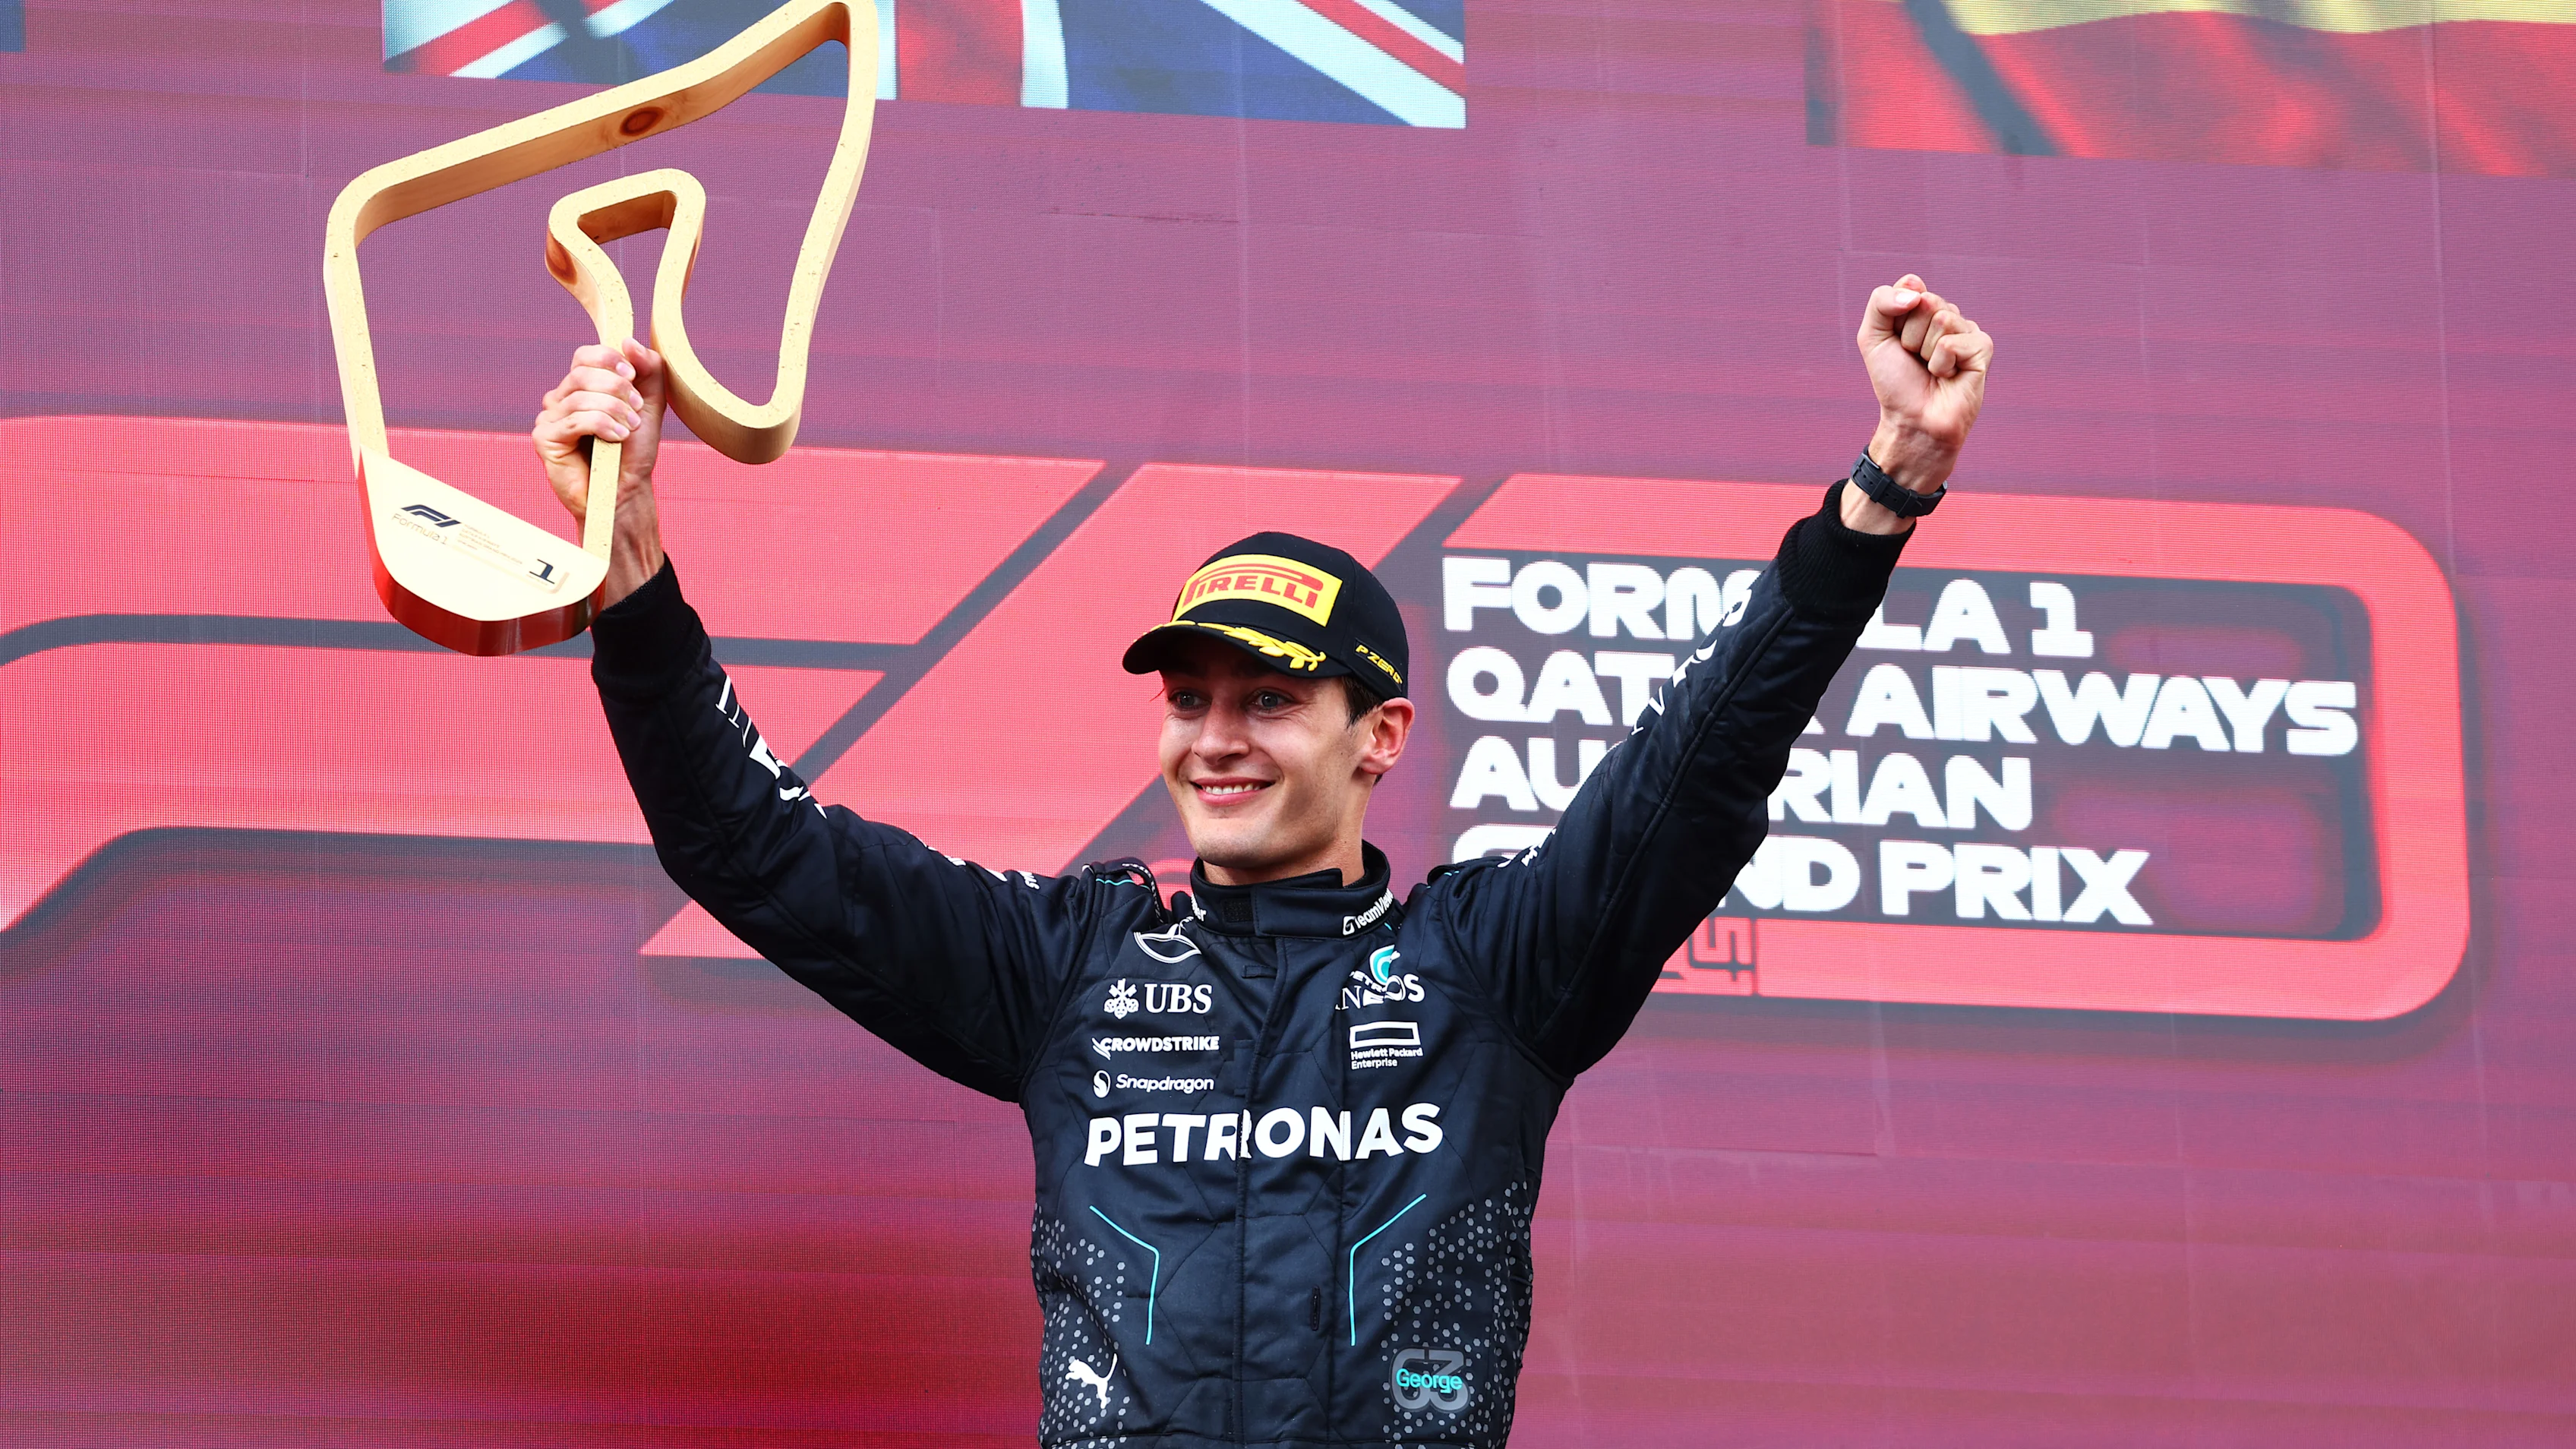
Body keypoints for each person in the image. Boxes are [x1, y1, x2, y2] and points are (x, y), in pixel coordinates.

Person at [533, 276, 1991, 1447]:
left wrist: (1878, 499)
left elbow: (1703, 763)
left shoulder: (1492, 969)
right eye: (1188, 701)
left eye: (1270, 701)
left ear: (1381, 735)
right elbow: (749, 846)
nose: (1215, 741)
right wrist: (634, 569)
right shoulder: (1067, 971)